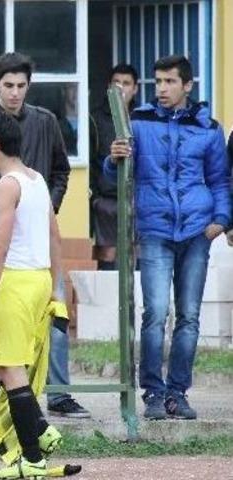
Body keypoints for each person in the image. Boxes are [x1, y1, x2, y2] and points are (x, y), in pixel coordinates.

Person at [0, 52, 90, 419]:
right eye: (9, 85)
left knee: (52, 310)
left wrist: (44, 208)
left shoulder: (46, 121)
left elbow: (60, 171)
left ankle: (58, 393)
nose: (15, 92)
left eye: (21, 85)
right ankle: (6, 382)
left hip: (35, 231)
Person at [107, 55, 230, 421]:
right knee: (156, 313)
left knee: (189, 316)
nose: (161, 89)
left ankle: (178, 392)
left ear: (187, 86)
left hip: (197, 231)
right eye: (157, 81)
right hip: (156, 229)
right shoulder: (139, 121)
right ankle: (153, 393)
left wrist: (220, 220)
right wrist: (114, 158)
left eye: (169, 82)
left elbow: (221, 180)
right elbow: (117, 172)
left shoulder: (209, 127)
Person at [0, 110, 66, 479]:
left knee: (9, 369)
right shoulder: (37, 180)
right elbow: (55, 237)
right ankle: (41, 430)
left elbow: (0, 245)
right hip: (39, 279)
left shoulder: (6, 186)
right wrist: (57, 286)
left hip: (15, 281)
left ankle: (32, 457)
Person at [89, 63, 139, 270]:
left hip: (139, 201)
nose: (121, 88)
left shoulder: (142, 117)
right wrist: (96, 198)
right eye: (116, 82)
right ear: (109, 86)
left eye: (126, 83)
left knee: (140, 262)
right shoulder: (95, 118)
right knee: (108, 263)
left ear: (135, 88)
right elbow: (91, 160)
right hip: (107, 202)